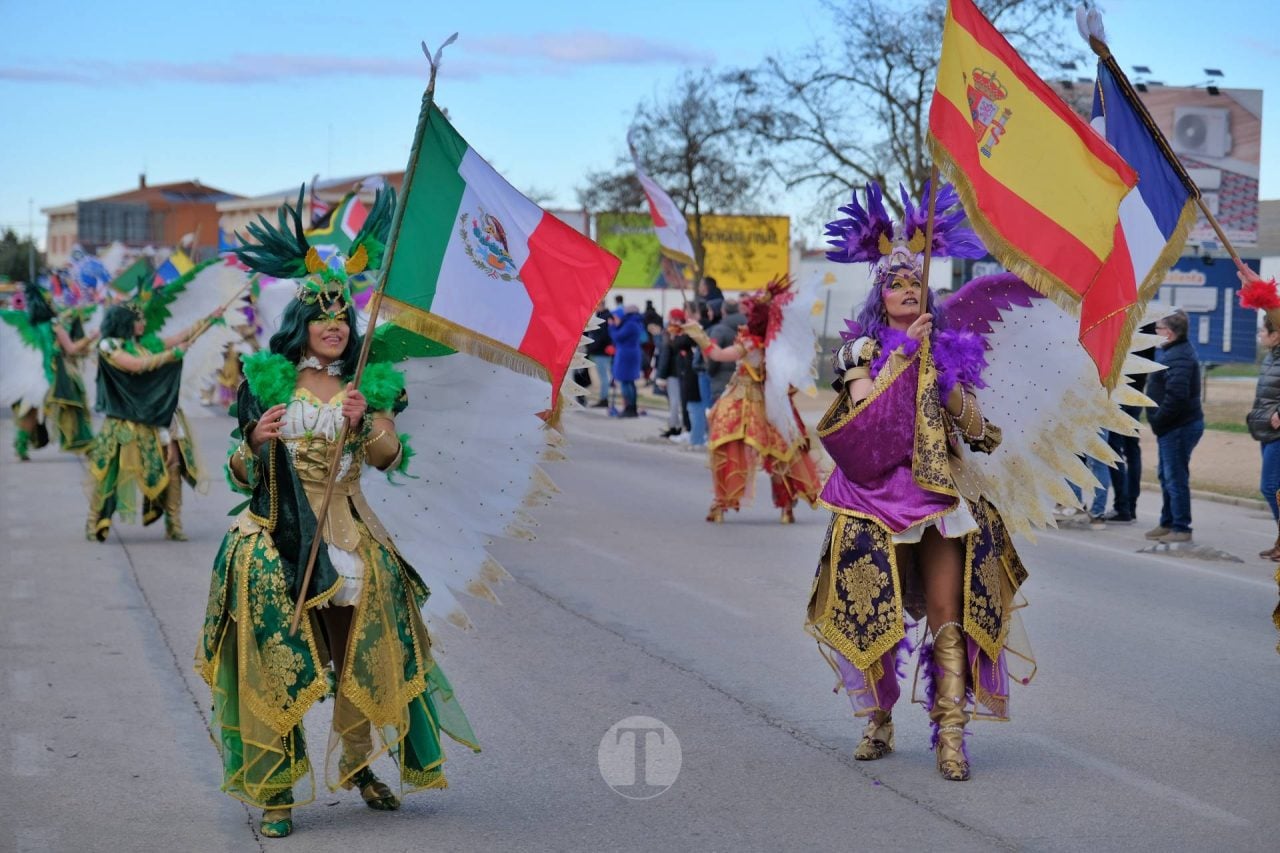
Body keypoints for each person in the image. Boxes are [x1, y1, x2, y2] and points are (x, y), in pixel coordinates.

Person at [197, 190, 478, 838]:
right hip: (276, 538)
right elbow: (241, 473)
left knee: (361, 656)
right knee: (278, 660)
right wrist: (255, 444)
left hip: (350, 535)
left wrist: (366, 425)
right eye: (322, 318)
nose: (334, 326)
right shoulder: (267, 380)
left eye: (342, 319)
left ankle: (358, 762)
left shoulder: (368, 382)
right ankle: (275, 792)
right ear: (301, 324)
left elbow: (389, 456)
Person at [807, 181, 1041, 782]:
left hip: (942, 498)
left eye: (914, 284)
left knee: (947, 611)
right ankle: (878, 721)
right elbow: (865, 422)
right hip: (879, 496)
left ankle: (952, 736)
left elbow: (980, 434)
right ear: (879, 295)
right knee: (872, 610)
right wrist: (904, 360)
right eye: (895, 283)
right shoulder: (858, 350)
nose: (906, 291)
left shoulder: (945, 349)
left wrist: (948, 382)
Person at [685, 277, 822, 524]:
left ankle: (722, 503)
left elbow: (719, 354)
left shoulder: (752, 342)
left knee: (727, 443)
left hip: (747, 399)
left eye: (750, 310)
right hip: (768, 401)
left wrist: (699, 335)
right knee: (782, 453)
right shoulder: (777, 343)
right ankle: (785, 508)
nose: (747, 313)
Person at [85, 302, 215, 542]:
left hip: (160, 414)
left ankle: (174, 524)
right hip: (127, 420)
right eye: (138, 320)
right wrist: (174, 354)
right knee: (111, 471)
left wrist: (210, 318)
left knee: (174, 463)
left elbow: (179, 337)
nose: (143, 324)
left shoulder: (145, 345)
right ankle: (95, 521)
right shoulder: (109, 345)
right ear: (125, 323)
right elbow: (135, 365)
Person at [1144, 309, 1203, 544]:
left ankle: (1181, 526)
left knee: (1175, 477)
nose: (1155, 332)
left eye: (1157, 328)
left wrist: (1157, 420)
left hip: (1178, 426)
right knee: (1166, 475)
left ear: (1168, 333)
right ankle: (1167, 522)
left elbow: (1177, 397)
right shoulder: (1173, 352)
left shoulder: (1179, 356)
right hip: (1171, 427)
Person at [653, 309, 686, 438]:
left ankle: (674, 426)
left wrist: (661, 376)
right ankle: (675, 425)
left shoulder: (672, 333)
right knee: (675, 401)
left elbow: (665, 355)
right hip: (675, 372)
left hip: (673, 372)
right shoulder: (673, 333)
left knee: (674, 401)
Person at [608, 305, 645, 417]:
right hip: (631, 353)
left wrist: (612, 327)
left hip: (626, 355)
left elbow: (617, 337)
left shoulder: (630, 324)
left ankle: (629, 408)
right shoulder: (635, 323)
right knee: (630, 382)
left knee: (625, 382)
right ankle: (632, 407)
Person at [584, 300, 613, 408]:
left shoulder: (605, 317)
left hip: (602, 351)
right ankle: (603, 398)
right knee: (603, 376)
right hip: (600, 350)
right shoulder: (602, 316)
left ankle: (604, 399)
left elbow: (603, 336)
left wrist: (592, 347)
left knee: (603, 376)